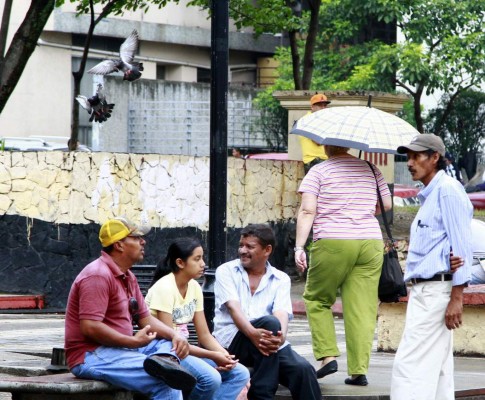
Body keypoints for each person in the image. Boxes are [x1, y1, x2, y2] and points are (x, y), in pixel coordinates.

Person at [65, 217, 197, 400]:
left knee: (167, 344)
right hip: (91, 355)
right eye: (136, 238)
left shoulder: (128, 277)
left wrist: (175, 335)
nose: (143, 241)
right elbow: (90, 327)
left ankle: (165, 362)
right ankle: (164, 367)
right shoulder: (98, 275)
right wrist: (132, 342)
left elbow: (146, 319)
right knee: (165, 381)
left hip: (122, 350)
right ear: (119, 245)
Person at [294, 144, 392, 386]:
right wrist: (363, 212)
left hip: (333, 240)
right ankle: (359, 371)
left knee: (317, 298)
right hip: (370, 242)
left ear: (327, 145)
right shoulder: (371, 169)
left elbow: (307, 210)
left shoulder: (319, 171)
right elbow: (387, 204)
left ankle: (327, 356)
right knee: (362, 307)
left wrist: (299, 246)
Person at [391, 134, 473, 399]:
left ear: (434, 157)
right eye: (408, 157)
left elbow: (461, 246)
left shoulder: (447, 190)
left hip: (436, 293)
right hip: (427, 291)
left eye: (417, 156)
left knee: (409, 368)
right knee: (438, 372)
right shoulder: (431, 194)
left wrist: (456, 298)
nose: (411, 163)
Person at [213, 224, 322, 400]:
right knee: (270, 324)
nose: (242, 250)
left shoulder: (281, 279)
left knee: (303, 369)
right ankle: (262, 395)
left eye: (249, 246)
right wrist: (253, 333)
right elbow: (233, 308)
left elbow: (281, 313)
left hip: (268, 340)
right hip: (233, 340)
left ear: (267, 250)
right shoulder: (226, 271)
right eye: (241, 245)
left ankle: (262, 392)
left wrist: (281, 338)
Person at [145, 237, 250, 400]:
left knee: (240, 373)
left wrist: (224, 355)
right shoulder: (164, 288)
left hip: (184, 350)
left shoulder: (194, 287)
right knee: (211, 379)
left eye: (202, 258)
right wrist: (213, 356)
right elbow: (170, 340)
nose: (203, 264)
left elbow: (205, 335)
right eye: (197, 259)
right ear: (180, 263)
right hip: (163, 351)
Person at [299, 94, 330, 174]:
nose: (323, 108)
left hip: (322, 160)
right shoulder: (309, 120)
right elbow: (318, 141)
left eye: (325, 105)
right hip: (314, 161)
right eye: (320, 105)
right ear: (312, 107)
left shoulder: (320, 120)